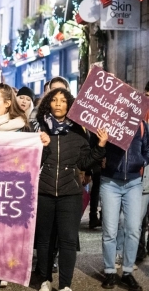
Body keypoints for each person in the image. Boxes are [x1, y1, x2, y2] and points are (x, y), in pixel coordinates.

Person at [0, 83, 47, 291]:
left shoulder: (22, 127)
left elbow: (35, 159)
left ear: (7, 103)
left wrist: (42, 143)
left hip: (5, 194)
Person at [35, 88, 108, 291]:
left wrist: (101, 146)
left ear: (70, 105)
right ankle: (45, 279)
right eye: (54, 100)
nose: (58, 103)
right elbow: (31, 161)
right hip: (43, 191)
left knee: (67, 239)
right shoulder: (39, 129)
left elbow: (84, 161)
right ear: (48, 103)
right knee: (45, 240)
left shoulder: (78, 131)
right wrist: (42, 146)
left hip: (70, 193)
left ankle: (65, 285)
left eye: (63, 100)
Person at [94, 105, 149, 290]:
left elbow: (147, 148)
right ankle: (110, 271)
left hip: (134, 182)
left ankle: (127, 272)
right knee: (110, 230)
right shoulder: (105, 123)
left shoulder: (141, 124)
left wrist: (141, 162)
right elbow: (95, 148)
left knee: (133, 228)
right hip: (110, 182)